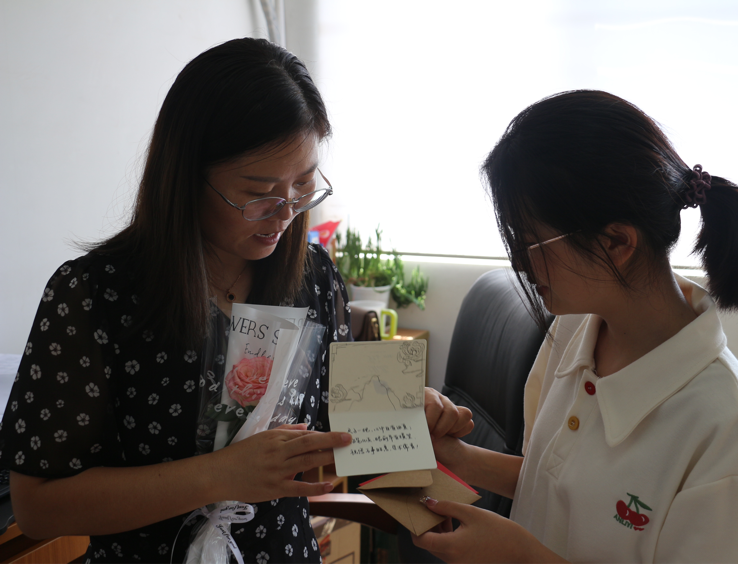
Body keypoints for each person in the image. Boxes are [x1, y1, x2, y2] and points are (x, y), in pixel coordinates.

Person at [0, 38, 471, 563]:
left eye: (303, 185)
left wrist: (405, 417)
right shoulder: (93, 294)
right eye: (258, 193)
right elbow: (36, 506)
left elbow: (350, 429)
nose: (285, 213)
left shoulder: (314, 277)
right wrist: (218, 475)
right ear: (187, 176)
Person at [413, 90, 738, 563]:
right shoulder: (573, 332)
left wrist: (524, 557)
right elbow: (558, 483)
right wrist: (461, 458)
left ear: (616, 242)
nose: (521, 266)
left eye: (530, 245)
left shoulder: (727, 433)